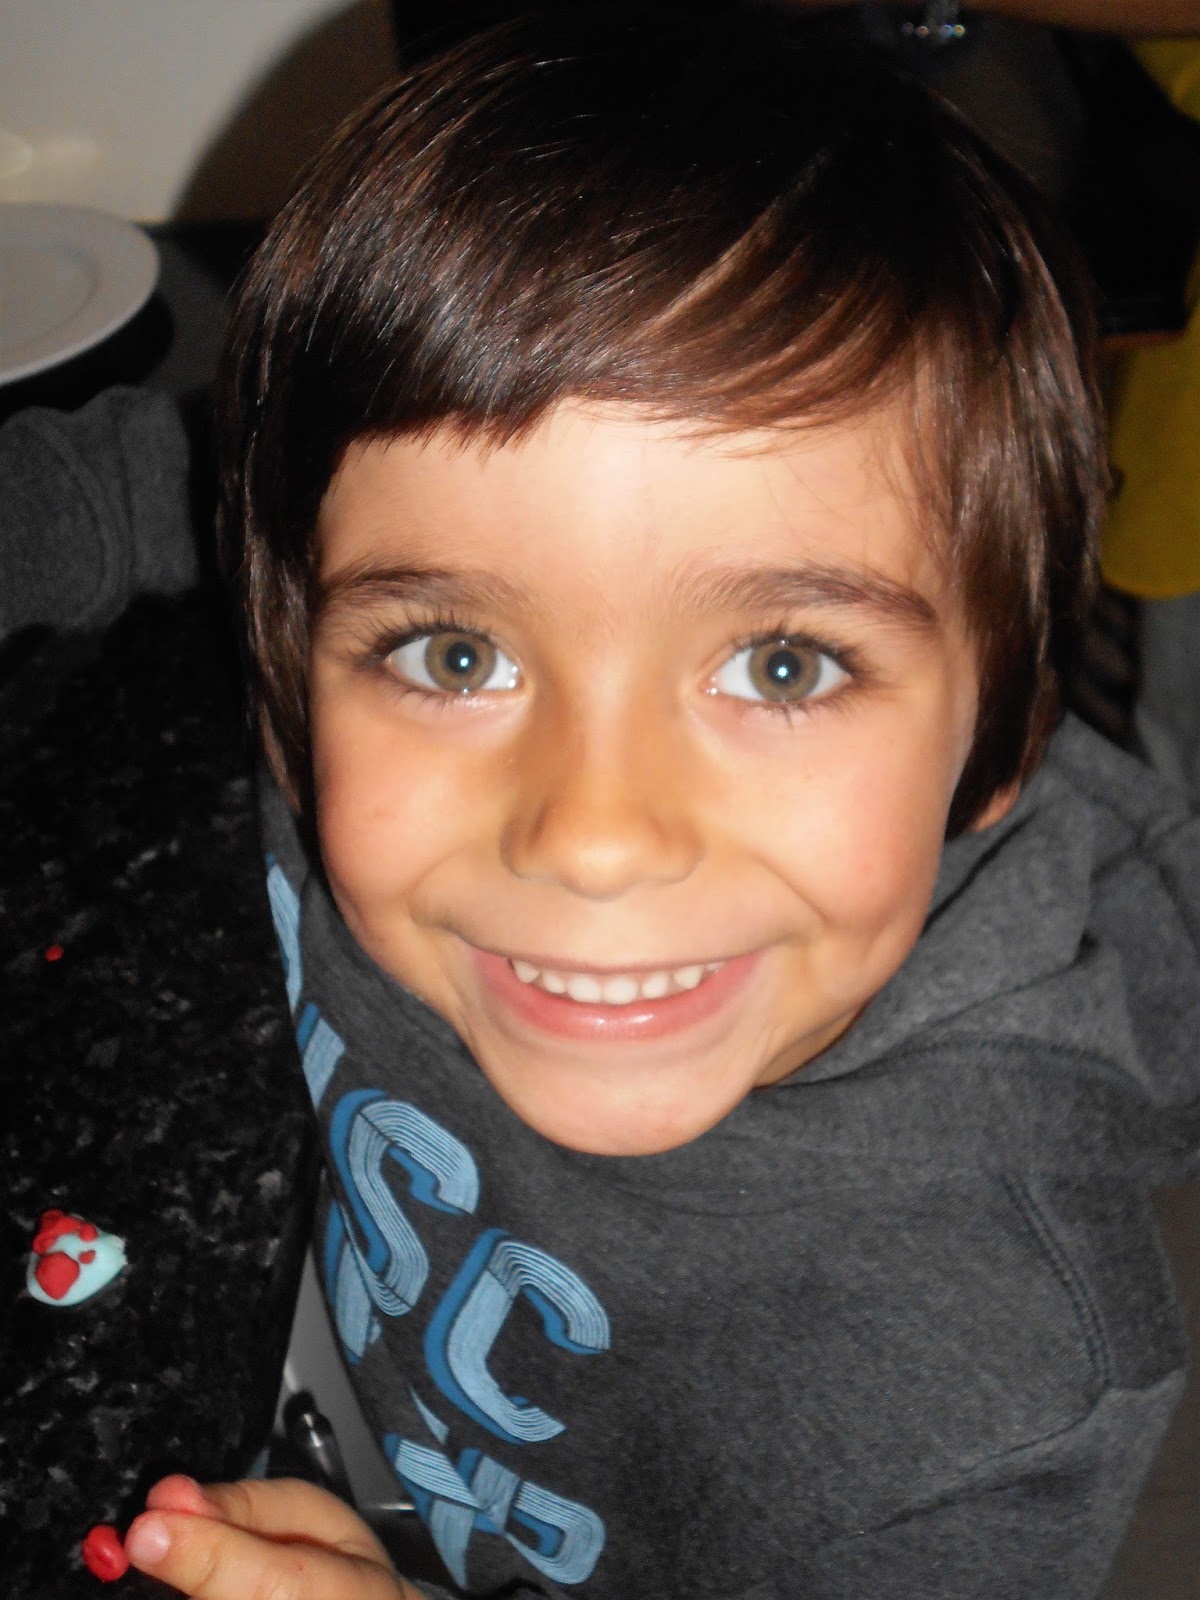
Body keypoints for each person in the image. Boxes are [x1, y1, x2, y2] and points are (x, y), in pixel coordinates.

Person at [117, 7, 1200, 1597]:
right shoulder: (305, 663)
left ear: (998, 733)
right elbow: (123, 484)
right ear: (287, 632)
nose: (594, 836)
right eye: (457, 653)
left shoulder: (979, 1393)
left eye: (781, 666)